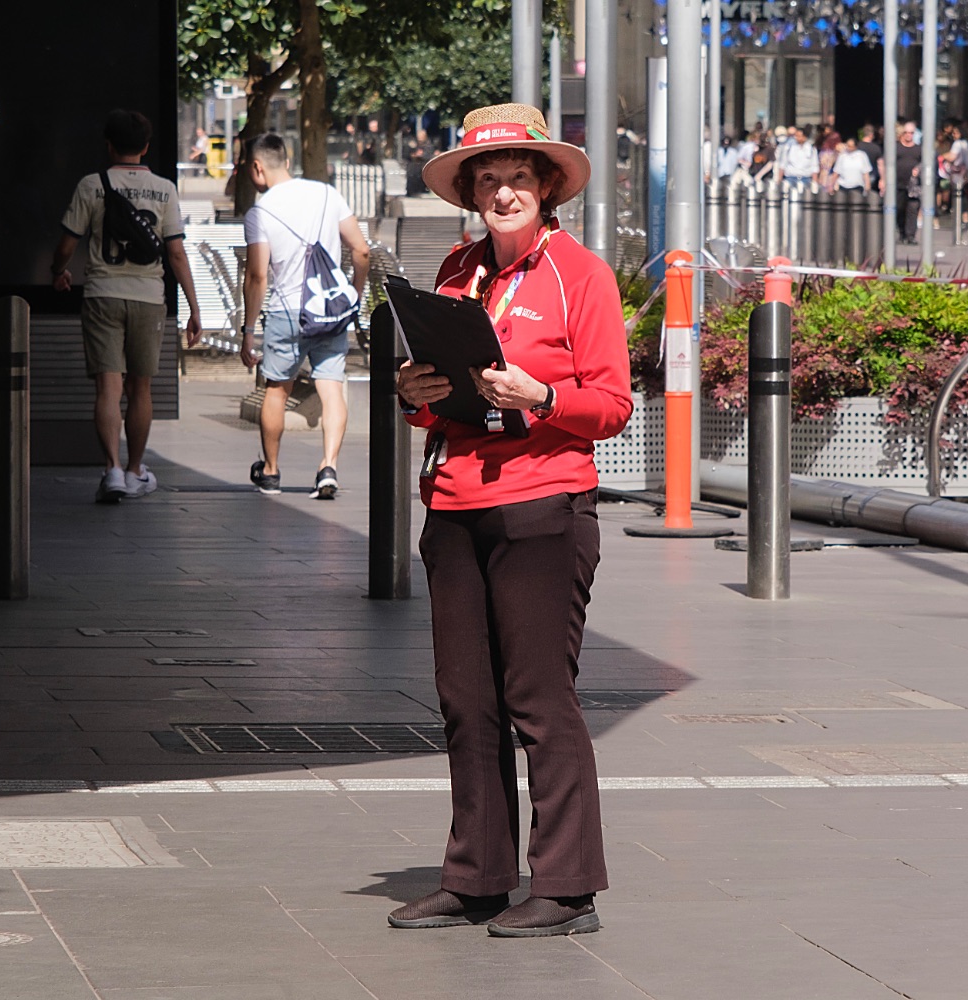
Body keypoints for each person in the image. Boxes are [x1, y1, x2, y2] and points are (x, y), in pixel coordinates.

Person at [387, 102, 631, 938]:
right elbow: (434, 400)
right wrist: (412, 396)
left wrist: (545, 395)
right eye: (485, 178)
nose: (500, 190)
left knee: (538, 699)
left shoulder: (581, 274)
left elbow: (612, 405)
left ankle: (566, 888)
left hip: (543, 505)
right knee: (466, 701)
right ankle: (479, 876)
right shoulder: (456, 272)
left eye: (516, 176)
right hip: (455, 503)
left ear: (547, 186)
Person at [51, 109, 203, 503]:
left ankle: (113, 470)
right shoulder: (164, 189)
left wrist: (59, 271)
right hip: (149, 298)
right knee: (141, 388)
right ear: (146, 147)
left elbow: (68, 243)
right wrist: (193, 307)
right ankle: (136, 470)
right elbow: (176, 254)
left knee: (108, 385)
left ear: (109, 145)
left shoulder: (91, 185)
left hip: (103, 293)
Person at [239, 132, 370, 499]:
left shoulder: (260, 212)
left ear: (257, 167)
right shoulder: (327, 194)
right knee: (331, 388)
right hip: (328, 310)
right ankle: (328, 467)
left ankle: (271, 471)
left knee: (277, 390)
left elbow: (258, 275)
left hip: (286, 313)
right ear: (288, 158)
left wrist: (248, 331)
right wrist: (353, 295)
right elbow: (361, 251)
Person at [894, 121, 923, 242]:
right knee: (900, 209)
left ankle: (911, 235)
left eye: (911, 133)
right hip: (898, 184)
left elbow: (925, 163)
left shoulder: (918, 149)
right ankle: (902, 233)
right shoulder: (896, 147)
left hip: (913, 187)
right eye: (906, 132)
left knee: (912, 210)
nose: (908, 135)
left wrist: (919, 169)